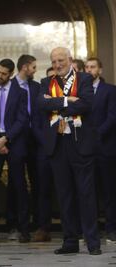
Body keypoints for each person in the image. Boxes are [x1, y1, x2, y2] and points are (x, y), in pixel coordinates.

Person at [38, 47, 101, 255]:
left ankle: (93, 242)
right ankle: (70, 242)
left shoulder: (83, 79)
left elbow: (86, 105)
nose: (57, 65)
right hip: (58, 145)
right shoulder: (46, 82)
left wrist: (55, 104)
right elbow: (41, 104)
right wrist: (67, 101)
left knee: (86, 194)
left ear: (70, 60)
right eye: (54, 61)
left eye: (61, 60)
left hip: (80, 144)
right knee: (64, 196)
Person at [0, 59, 29, 243]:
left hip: (14, 141)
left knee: (19, 186)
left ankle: (23, 228)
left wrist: (6, 138)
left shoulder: (20, 93)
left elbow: (23, 119)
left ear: (11, 74)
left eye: (4, 73)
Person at [13, 55, 53, 242]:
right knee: (19, 185)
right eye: (33, 66)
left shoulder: (37, 87)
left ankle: (41, 225)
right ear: (25, 67)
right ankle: (22, 228)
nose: (35, 70)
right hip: (17, 141)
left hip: (37, 141)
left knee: (40, 183)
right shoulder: (10, 87)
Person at [85, 57, 116, 242]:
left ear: (100, 70)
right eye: (87, 67)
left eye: (93, 67)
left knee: (109, 190)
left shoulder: (110, 90)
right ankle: (92, 229)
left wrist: (96, 135)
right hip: (85, 150)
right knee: (89, 191)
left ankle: (111, 228)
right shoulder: (81, 92)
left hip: (105, 148)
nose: (89, 70)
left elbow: (112, 117)